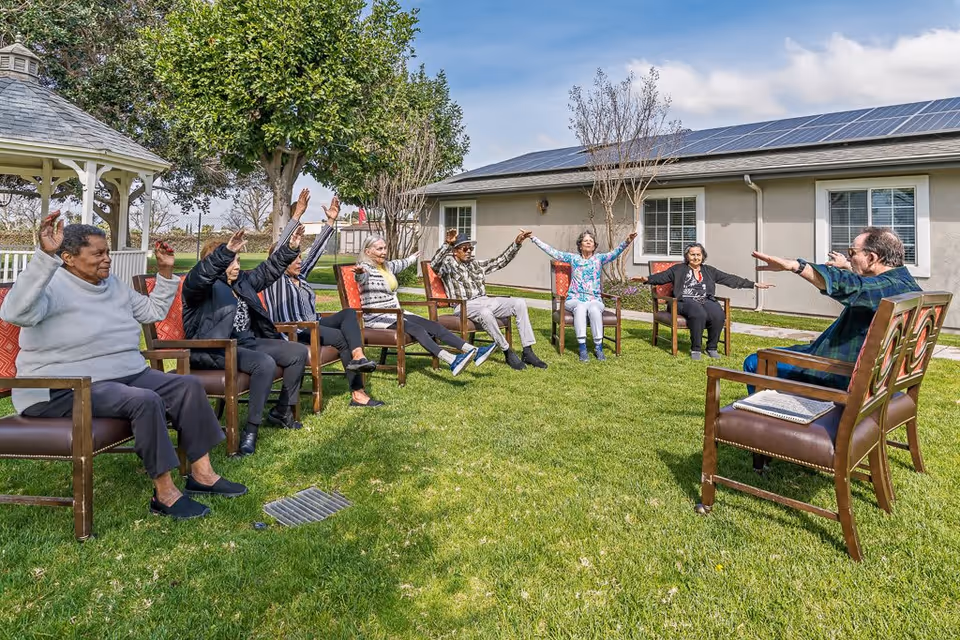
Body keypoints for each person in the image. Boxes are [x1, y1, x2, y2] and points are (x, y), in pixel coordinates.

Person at [0, 212, 246, 520]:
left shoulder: (112, 285)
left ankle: (203, 474)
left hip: (123, 375)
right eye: (98, 254)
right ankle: (165, 493)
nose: (107, 260)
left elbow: (152, 311)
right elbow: (14, 312)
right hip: (61, 388)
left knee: (187, 386)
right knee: (143, 400)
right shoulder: (48, 287)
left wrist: (166, 273)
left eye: (108, 253)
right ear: (68, 257)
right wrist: (44, 257)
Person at [182, 225, 309, 457]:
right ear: (217, 263)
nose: (237, 266)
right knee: (264, 363)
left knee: (297, 352)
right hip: (216, 348)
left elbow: (268, 270)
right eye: (232, 261)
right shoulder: (200, 288)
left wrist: (290, 249)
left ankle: (282, 410)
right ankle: (250, 431)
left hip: (246, 342)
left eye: (238, 259)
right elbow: (200, 276)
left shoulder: (241, 282)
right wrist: (225, 252)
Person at [746, 226, 922, 390]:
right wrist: (847, 265)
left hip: (837, 372)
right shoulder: (906, 286)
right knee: (772, 354)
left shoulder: (884, 288)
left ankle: (768, 419)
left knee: (756, 362)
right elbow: (870, 285)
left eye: (852, 253)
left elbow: (852, 286)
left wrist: (796, 266)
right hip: (873, 377)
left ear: (872, 258)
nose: (849, 258)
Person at [263, 189, 382, 407]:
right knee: (339, 337)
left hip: (313, 323)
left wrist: (330, 221)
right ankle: (358, 393)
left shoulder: (300, 274)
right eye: (293, 257)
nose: (299, 261)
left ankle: (358, 356)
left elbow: (316, 250)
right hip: (295, 330)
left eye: (299, 256)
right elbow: (281, 248)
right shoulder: (274, 277)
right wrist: (297, 214)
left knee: (347, 314)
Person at [354, 235, 496, 376]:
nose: (384, 252)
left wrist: (412, 258)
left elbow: (401, 263)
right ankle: (452, 360)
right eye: (379, 249)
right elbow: (361, 277)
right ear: (368, 252)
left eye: (385, 248)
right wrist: (360, 274)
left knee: (434, 326)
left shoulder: (386, 266)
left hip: (396, 312)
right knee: (418, 329)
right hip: (378, 316)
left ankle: (475, 351)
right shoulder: (366, 268)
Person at [429, 228, 547, 370]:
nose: (468, 251)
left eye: (470, 248)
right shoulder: (448, 265)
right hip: (464, 305)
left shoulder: (476, 264)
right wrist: (447, 243)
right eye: (465, 248)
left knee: (519, 303)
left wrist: (517, 243)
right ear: (455, 251)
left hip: (485, 300)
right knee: (485, 313)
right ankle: (507, 351)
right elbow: (434, 264)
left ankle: (528, 351)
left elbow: (501, 261)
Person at [632, 243, 772, 360]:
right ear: (687, 256)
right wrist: (646, 279)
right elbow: (661, 277)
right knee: (698, 313)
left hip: (705, 299)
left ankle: (712, 347)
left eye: (698, 254)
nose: (696, 257)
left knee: (718, 314)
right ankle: (696, 349)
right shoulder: (678, 269)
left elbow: (729, 278)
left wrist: (753, 284)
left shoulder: (709, 270)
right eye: (692, 254)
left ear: (703, 256)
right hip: (683, 301)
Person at [532, 229, 637, 361]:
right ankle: (582, 348)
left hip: (594, 299)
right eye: (585, 240)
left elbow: (615, 253)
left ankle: (598, 348)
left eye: (591, 241)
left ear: (594, 246)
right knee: (581, 307)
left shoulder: (599, 259)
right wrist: (534, 239)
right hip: (574, 299)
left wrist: (627, 241)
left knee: (593, 309)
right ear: (580, 245)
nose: (588, 242)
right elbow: (553, 252)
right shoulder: (573, 259)